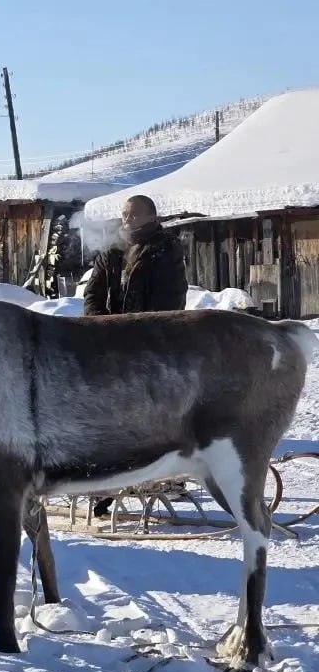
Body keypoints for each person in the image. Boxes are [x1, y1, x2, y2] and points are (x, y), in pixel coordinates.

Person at [83, 194, 188, 517]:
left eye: (133, 214)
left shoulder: (165, 250)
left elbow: (170, 302)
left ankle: (162, 475)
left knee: (150, 417)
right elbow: (93, 293)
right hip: (112, 346)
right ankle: (103, 485)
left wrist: (138, 329)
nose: (126, 219)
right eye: (124, 214)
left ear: (150, 217)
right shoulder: (113, 249)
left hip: (151, 348)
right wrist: (103, 324)